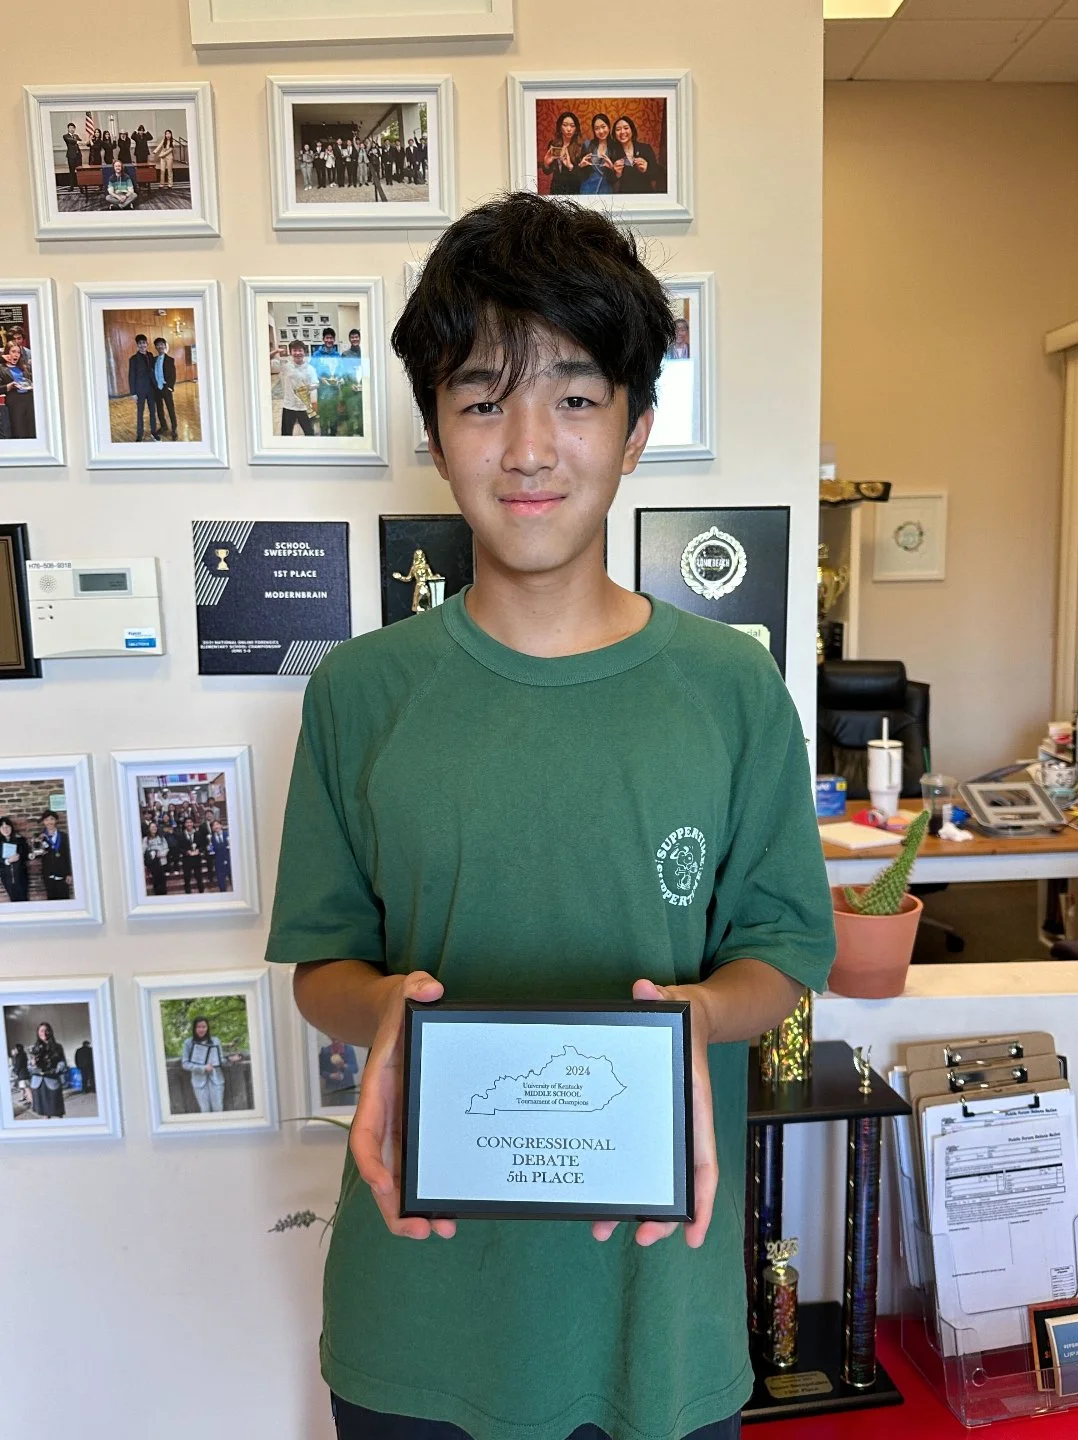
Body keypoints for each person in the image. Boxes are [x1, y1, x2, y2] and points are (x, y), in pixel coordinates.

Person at [265, 192, 834, 1440]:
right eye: (482, 398)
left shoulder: (731, 687)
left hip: (653, 1318)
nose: (528, 446)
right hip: (418, 1311)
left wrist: (693, 1017)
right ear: (434, 429)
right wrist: (390, 1019)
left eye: (575, 398)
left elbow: (786, 957)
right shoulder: (363, 692)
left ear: (634, 431)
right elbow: (322, 963)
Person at [180, 1016, 232, 1113]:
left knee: (218, 1109)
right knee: (205, 1110)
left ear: (207, 1027)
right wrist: (203, 1068)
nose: (201, 1029)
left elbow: (220, 1060)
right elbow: (185, 1063)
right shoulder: (188, 1043)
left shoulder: (216, 1040)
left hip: (216, 1080)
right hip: (199, 1082)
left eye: (203, 1027)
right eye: (198, 1027)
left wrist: (230, 1059)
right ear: (194, 1028)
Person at [272, 339, 319, 437]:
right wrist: (275, 352)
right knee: (286, 434)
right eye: (294, 350)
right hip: (289, 405)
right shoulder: (285, 366)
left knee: (309, 433)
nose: (297, 353)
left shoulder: (310, 369)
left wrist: (308, 388)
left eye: (300, 350)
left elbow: (316, 384)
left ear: (304, 352)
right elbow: (264, 360)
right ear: (291, 352)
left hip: (304, 406)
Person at [610, 115, 659, 195]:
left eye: (626, 128)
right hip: (624, 197)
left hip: (646, 195)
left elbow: (656, 175)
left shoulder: (645, 148)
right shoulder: (613, 152)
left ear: (632, 130)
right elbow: (610, 182)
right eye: (618, 129)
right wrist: (617, 174)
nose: (622, 132)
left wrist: (647, 169)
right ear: (614, 134)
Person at [28, 1022, 67, 1119]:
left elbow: (62, 1063)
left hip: (52, 1080)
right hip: (38, 1083)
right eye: (41, 1031)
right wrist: (33, 1065)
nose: (44, 1033)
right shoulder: (33, 1048)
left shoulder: (57, 1047)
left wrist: (55, 1070)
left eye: (46, 1030)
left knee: (58, 1111)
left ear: (51, 1032)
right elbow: (28, 1067)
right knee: (44, 1113)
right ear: (38, 1033)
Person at [540, 110, 583, 195]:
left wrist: (570, 167)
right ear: (560, 126)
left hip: (573, 190)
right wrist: (546, 164)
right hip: (556, 189)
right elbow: (548, 171)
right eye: (565, 125)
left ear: (576, 129)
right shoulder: (553, 144)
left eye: (572, 126)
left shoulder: (580, 147)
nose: (569, 129)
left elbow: (582, 176)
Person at [127, 334, 160, 442]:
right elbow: (131, 376)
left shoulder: (150, 355)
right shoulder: (133, 359)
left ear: (147, 344)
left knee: (152, 412)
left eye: (144, 343)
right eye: (140, 343)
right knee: (140, 413)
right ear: (137, 345)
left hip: (151, 389)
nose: (142, 345)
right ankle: (139, 435)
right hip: (140, 390)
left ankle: (154, 432)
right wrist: (133, 393)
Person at [0, 342, 35, 440]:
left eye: (18, 352)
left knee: (31, 431)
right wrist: (8, 386)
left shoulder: (25, 367)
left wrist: (33, 386)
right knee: (19, 431)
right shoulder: (2, 369)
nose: (16, 355)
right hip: (14, 403)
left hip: (29, 401)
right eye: (13, 351)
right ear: (7, 353)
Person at [35, 811, 71, 901]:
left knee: (65, 900)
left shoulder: (64, 836)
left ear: (56, 820)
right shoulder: (39, 837)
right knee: (51, 900)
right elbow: (37, 855)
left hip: (63, 874)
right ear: (43, 822)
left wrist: (69, 874)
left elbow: (69, 855)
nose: (49, 822)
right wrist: (38, 847)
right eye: (46, 820)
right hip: (48, 874)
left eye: (52, 819)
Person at [312, 327, 341, 437]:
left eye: (331, 338)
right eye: (327, 338)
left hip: (334, 391)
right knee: (323, 415)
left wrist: (339, 378)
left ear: (334, 340)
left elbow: (340, 370)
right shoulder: (316, 355)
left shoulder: (337, 355)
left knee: (334, 414)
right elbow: (312, 372)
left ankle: (333, 434)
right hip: (322, 391)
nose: (329, 340)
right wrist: (320, 379)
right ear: (323, 339)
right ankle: (324, 436)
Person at [577, 112, 616, 195]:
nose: (601, 131)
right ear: (594, 130)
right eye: (597, 128)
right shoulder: (587, 145)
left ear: (608, 127)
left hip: (606, 191)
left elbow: (616, 179)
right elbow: (581, 175)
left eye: (603, 127)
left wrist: (611, 168)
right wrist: (581, 166)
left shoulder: (615, 147)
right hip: (587, 190)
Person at [318, 1037, 361, 1105]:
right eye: (334, 1039)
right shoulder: (325, 1051)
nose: (336, 1042)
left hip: (348, 1088)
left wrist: (344, 1065)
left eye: (338, 1040)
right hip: (332, 1089)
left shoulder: (349, 1049)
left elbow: (355, 1069)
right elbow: (319, 1071)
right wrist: (330, 1075)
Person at [338, 328, 364, 437]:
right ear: (349, 339)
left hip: (363, 388)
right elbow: (343, 372)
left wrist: (364, 384)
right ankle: (349, 433)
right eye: (352, 337)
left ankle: (361, 432)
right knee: (351, 413)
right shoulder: (345, 354)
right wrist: (350, 385)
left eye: (356, 337)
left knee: (362, 413)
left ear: (359, 338)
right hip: (350, 388)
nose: (354, 339)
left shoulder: (365, 353)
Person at [151, 337, 178, 438]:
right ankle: (163, 426)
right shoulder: (154, 360)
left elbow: (173, 375)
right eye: (158, 345)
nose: (160, 346)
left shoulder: (170, 360)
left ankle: (174, 428)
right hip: (157, 389)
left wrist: (170, 387)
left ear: (165, 346)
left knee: (170, 409)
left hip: (166, 388)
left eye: (162, 344)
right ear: (156, 347)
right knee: (159, 409)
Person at [0, 815, 31, 902]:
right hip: (6, 876)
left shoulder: (20, 839)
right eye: (2, 827)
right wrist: (7, 861)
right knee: (13, 899)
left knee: (24, 898)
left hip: (21, 874)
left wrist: (29, 856)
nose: (5, 829)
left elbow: (26, 855)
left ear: (11, 827)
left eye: (7, 827)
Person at [178, 817, 207, 893]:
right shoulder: (181, 835)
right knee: (187, 878)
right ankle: (188, 894)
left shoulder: (198, 834)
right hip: (186, 860)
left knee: (199, 877)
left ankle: (201, 892)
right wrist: (187, 852)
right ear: (184, 824)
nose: (189, 824)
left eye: (190, 822)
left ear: (193, 823)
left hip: (197, 859)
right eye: (187, 822)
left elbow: (203, 845)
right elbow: (179, 848)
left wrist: (199, 850)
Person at [143, 821, 169, 895]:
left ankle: (164, 893)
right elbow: (142, 851)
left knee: (162, 878)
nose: (154, 828)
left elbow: (166, 848)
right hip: (153, 863)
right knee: (156, 879)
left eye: (155, 827)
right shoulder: (146, 839)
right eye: (152, 827)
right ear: (149, 829)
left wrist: (160, 854)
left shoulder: (161, 838)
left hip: (162, 860)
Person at [208, 819, 231, 892]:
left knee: (234, 880)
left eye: (217, 824)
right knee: (221, 883)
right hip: (218, 862)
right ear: (212, 828)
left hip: (229, 860)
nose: (216, 826)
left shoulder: (228, 834)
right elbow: (210, 851)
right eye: (214, 825)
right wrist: (209, 849)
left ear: (221, 825)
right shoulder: (210, 838)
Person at [9, 1043, 30, 1109]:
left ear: (18, 1049)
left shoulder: (19, 1056)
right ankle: (24, 1097)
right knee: (23, 1087)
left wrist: (15, 1072)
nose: (14, 1050)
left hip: (22, 1074)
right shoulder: (22, 1054)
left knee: (26, 1088)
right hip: (22, 1073)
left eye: (15, 1048)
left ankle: (30, 1101)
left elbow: (18, 1065)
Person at [62, 122, 82, 189]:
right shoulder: (65, 136)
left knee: (80, 171)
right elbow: (71, 141)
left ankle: (81, 186)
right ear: (68, 129)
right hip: (71, 156)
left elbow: (81, 141)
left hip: (78, 156)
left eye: (73, 128)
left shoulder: (76, 135)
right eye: (70, 128)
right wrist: (77, 141)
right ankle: (72, 186)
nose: (72, 129)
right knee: (72, 171)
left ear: (75, 129)